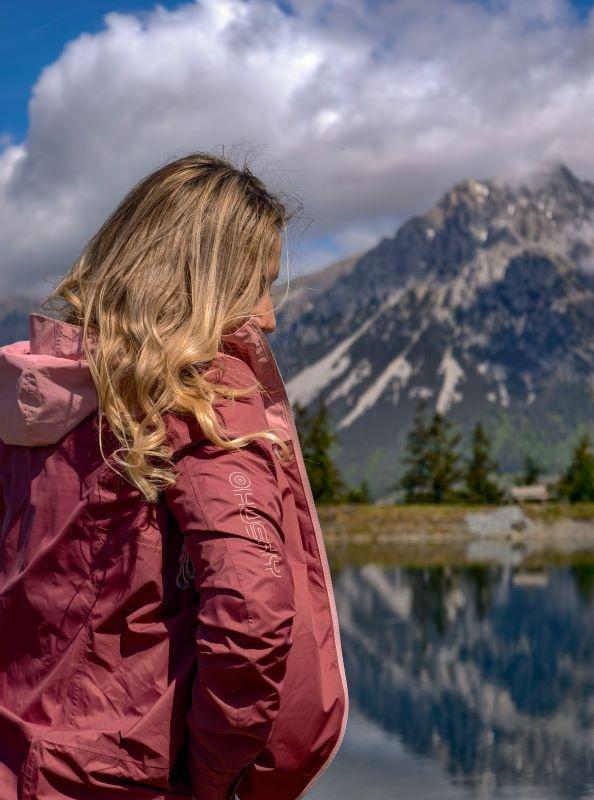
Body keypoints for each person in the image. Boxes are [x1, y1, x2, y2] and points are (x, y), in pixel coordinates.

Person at [0, 153, 348, 800]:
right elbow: (251, 615)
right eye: (256, 284)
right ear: (203, 281)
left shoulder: (38, 396)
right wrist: (214, 782)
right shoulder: (199, 395)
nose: (268, 316)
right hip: (129, 778)